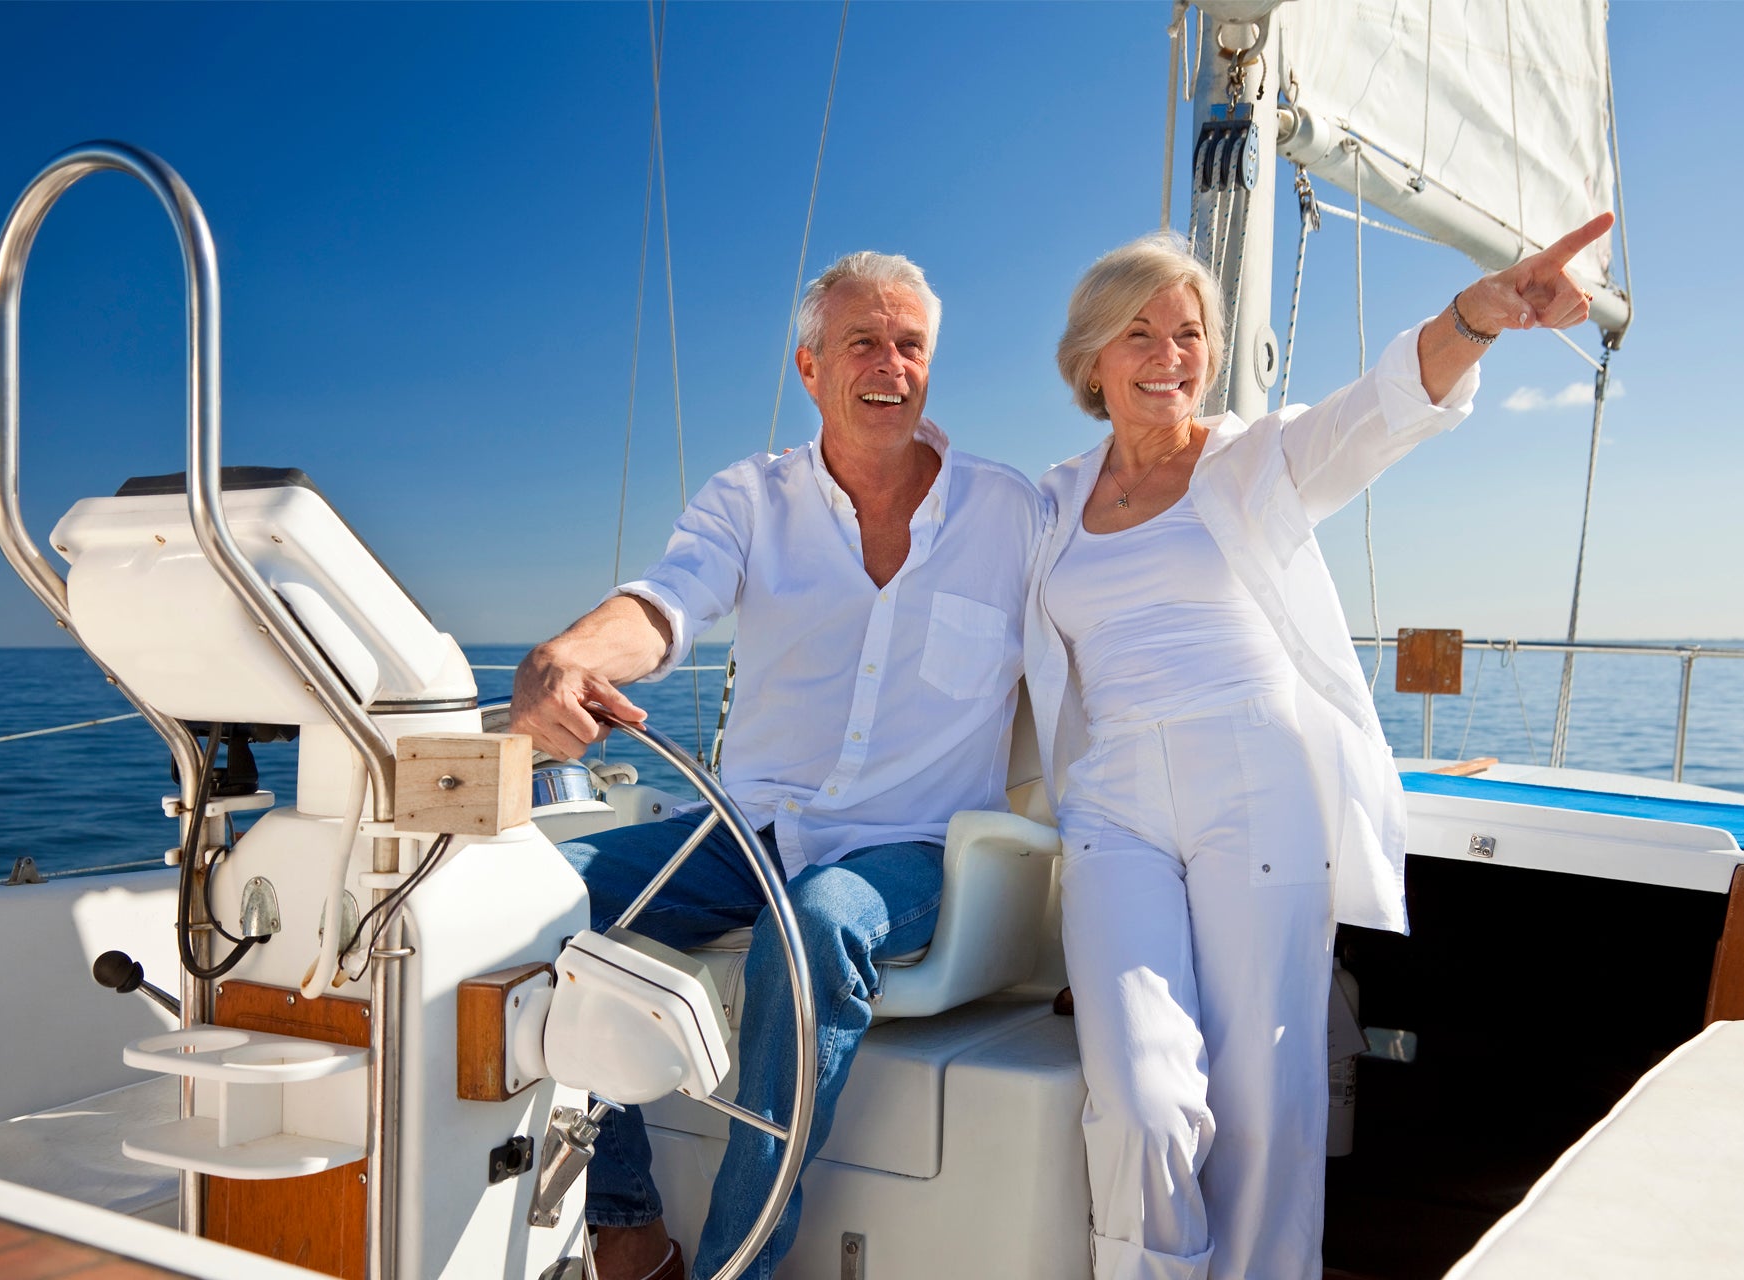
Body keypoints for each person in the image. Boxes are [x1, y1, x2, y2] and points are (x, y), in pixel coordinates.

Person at [1023, 215, 1614, 1280]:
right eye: (1141, 334)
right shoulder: (1049, 502)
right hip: (1113, 806)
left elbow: (1379, 413)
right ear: (1091, 360)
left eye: (1190, 333)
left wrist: (1481, 312)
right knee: (1145, 1095)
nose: (1170, 357)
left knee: (1265, 1097)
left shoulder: (1255, 459)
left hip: (1257, 786)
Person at [511, 250, 1043, 1280]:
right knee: (537, 896)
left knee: (813, 928)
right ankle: (626, 1227)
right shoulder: (751, 498)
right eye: (862, 343)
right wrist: (574, 655)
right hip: (745, 829)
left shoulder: (1012, 514)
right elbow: (667, 603)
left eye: (909, 344)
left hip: (915, 846)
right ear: (810, 367)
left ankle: (737, 1268)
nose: (889, 364)